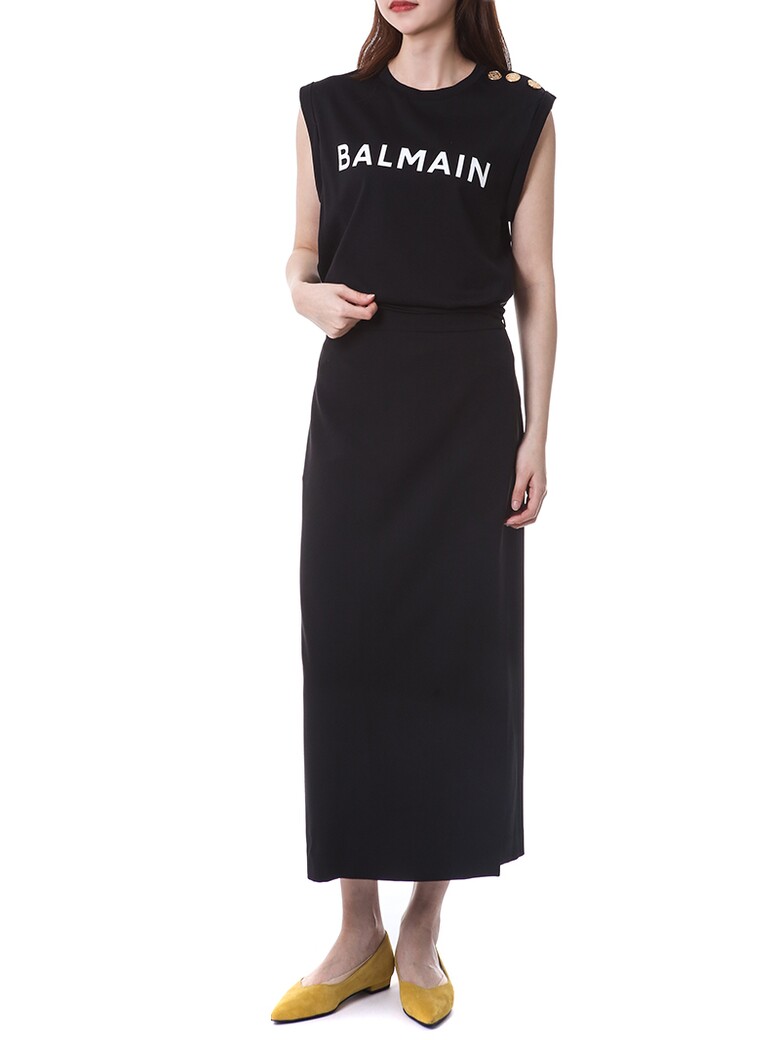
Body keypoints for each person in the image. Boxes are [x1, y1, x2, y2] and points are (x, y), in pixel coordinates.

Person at [274, 0, 557, 1026]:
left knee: (453, 660)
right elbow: (300, 255)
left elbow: (537, 284)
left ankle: (425, 927)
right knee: (347, 650)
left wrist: (536, 434)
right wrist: (305, 296)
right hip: (358, 404)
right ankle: (358, 934)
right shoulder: (328, 107)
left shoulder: (519, 115)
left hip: (469, 411)